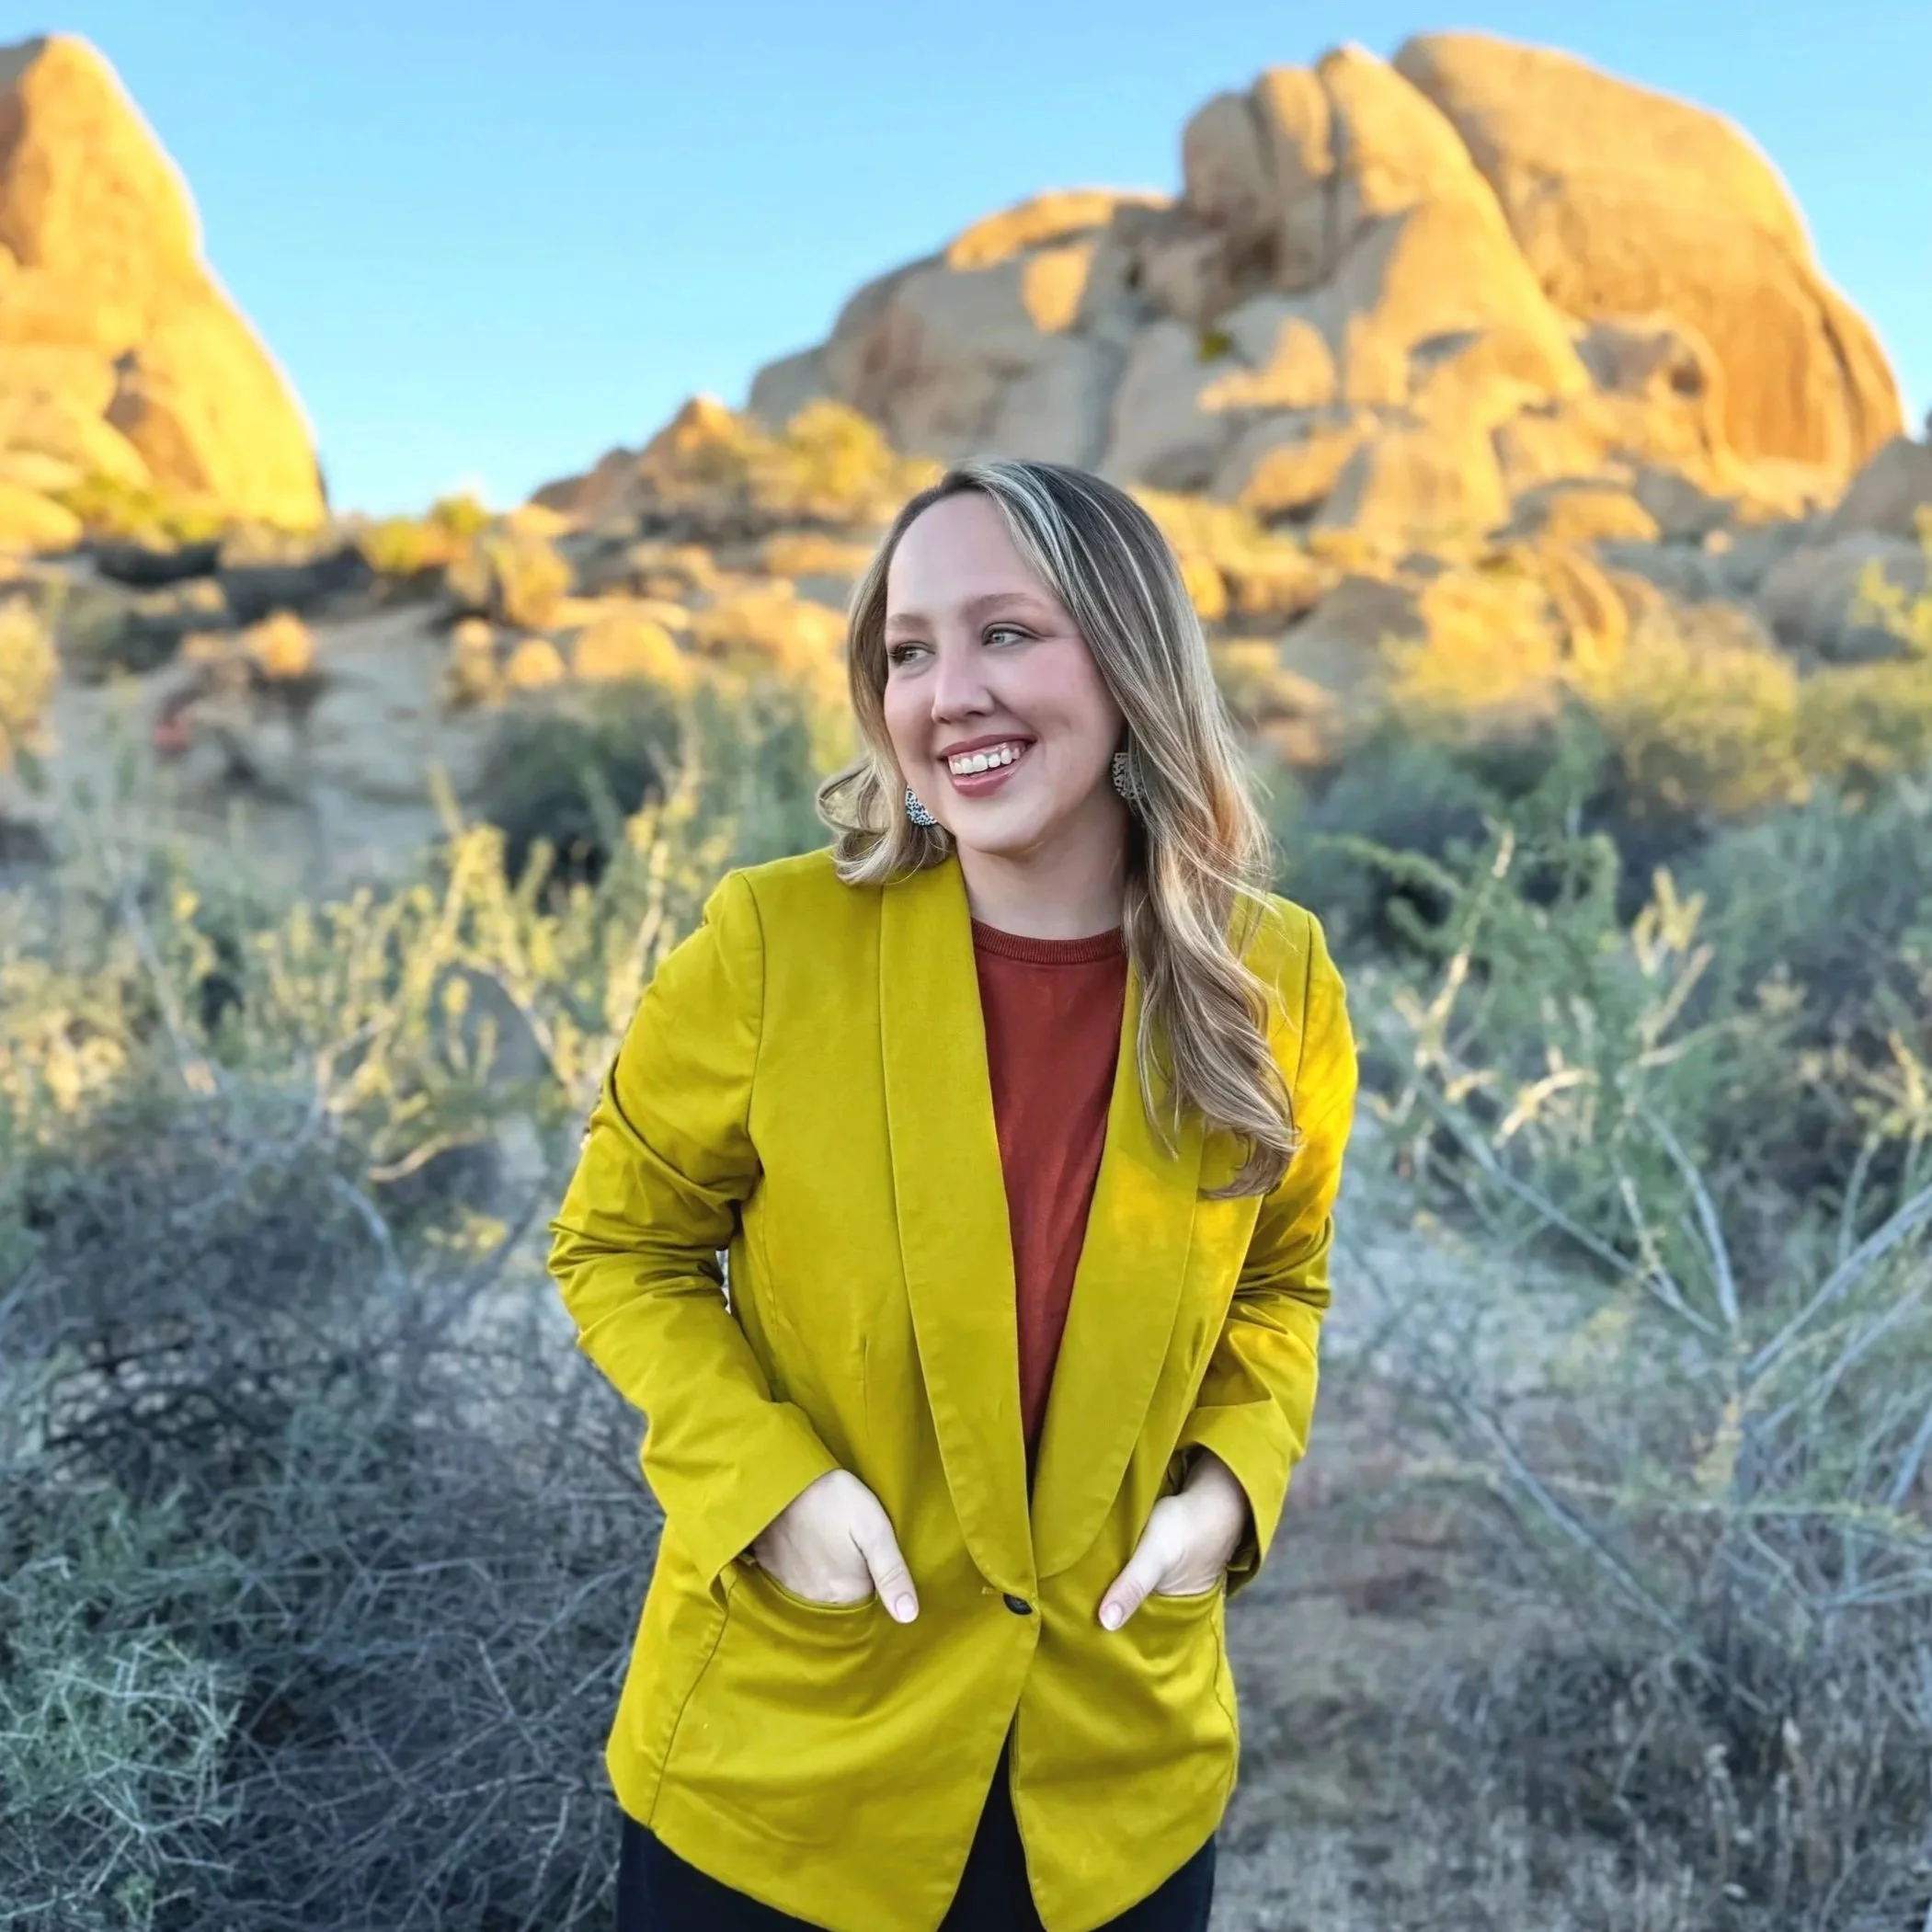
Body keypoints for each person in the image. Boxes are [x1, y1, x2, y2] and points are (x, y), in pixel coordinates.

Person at [547, 456, 1359, 1932]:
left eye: (1005, 632)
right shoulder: (771, 943)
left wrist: (1229, 1494)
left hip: (1117, 1781)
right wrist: (765, 1484)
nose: (948, 693)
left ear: (1129, 661)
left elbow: (1279, 1286)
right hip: (790, 1770)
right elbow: (620, 1247)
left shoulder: (1273, 978)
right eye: (908, 650)